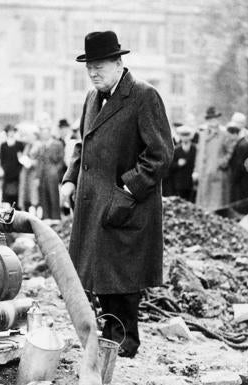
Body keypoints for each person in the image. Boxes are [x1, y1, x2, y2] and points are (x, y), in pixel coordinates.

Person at [60, 31, 173, 358]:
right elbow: (84, 143)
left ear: (119, 63)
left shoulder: (143, 96)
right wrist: (70, 178)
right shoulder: (92, 98)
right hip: (94, 202)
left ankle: (126, 339)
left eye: (100, 66)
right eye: (89, 67)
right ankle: (109, 334)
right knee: (100, 273)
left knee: (123, 275)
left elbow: (161, 153)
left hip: (127, 204)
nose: (94, 72)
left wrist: (127, 187)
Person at [193, 107, 234, 211]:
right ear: (207, 120)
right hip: (203, 175)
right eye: (210, 119)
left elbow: (231, 151)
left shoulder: (224, 135)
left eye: (215, 118)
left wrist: (221, 163)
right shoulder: (202, 135)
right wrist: (196, 171)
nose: (213, 121)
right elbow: (199, 154)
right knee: (203, 207)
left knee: (217, 207)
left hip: (217, 176)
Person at [37, 124, 65, 220]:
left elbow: (61, 160)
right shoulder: (42, 145)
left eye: (46, 133)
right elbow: (40, 161)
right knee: (43, 195)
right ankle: (46, 217)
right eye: (42, 133)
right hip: (43, 174)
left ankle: (55, 217)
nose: (44, 135)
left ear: (50, 133)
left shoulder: (57, 144)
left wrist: (56, 170)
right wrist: (38, 175)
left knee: (53, 195)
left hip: (52, 174)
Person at [0, 124, 25, 208]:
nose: (11, 133)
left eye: (12, 131)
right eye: (9, 131)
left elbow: (22, 158)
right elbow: (2, 159)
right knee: (6, 196)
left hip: (17, 173)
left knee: (17, 195)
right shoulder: (3, 145)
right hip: (7, 173)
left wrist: (19, 170)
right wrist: (4, 168)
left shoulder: (19, 144)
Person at [169, 125, 196, 202]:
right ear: (180, 136)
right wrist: (178, 164)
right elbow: (170, 166)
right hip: (180, 183)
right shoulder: (176, 150)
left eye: (187, 135)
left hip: (192, 182)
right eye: (183, 135)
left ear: (190, 136)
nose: (185, 137)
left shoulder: (195, 149)